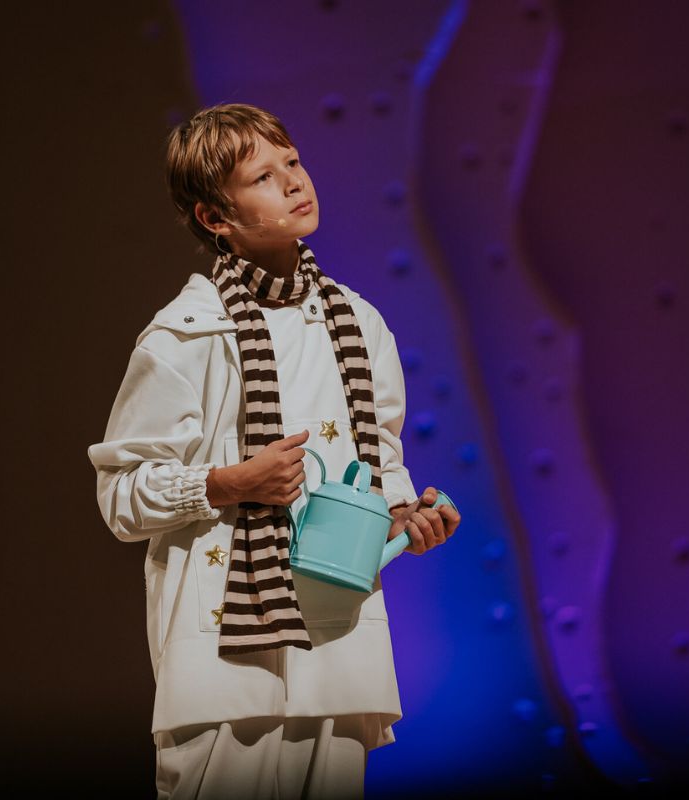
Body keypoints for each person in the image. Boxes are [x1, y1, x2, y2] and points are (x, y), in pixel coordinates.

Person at [87, 102, 461, 799]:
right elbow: (121, 496)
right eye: (264, 175)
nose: (294, 181)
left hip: (339, 646)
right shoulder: (185, 336)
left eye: (292, 161)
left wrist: (405, 521)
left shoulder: (359, 323)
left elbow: (378, 467)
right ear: (214, 217)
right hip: (227, 658)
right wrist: (227, 484)